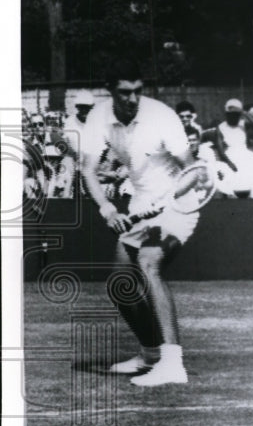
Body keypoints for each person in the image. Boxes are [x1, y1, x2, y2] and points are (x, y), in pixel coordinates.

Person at [78, 60, 200, 386]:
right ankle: (151, 355)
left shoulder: (161, 115)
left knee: (149, 262)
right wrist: (107, 209)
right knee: (120, 285)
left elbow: (194, 171)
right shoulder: (99, 116)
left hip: (179, 203)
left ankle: (173, 364)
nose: (133, 99)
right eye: (124, 92)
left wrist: (166, 204)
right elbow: (88, 169)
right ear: (111, 91)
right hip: (142, 202)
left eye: (138, 91)